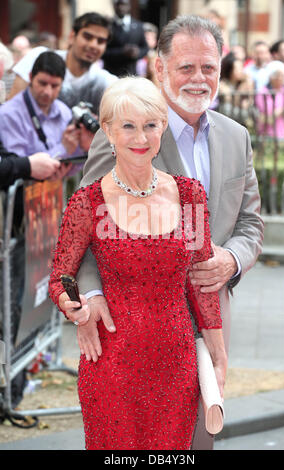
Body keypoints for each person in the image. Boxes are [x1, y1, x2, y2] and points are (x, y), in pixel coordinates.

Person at [65, 15, 264, 450]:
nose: (198, 79)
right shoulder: (124, 131)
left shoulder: (236, 137)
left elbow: (251, 223)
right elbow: (82, 231)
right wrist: (90, 299)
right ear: (160, 68)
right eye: (186, 67)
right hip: (129, 327)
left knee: (198, 437)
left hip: (211, 312)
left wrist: (231, 259)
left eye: (208, 67)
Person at [49, 76, 227, 450]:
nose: (140, 138)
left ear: (162, 126)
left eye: (150, 125)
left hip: (176, 366)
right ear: (109, 132)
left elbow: (199, 282)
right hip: (111, 365)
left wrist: (217, 351)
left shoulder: (191, 196)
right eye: (128, 126)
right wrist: (73, 306)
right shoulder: (88, 202)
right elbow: (61, 276)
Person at [7, 12, 118, 115]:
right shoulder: (39, 57)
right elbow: (12, 109)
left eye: (101, 41)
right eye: (87, 37)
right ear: (72, 36)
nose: (93, 45)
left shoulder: (105, 82)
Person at [0, 51, 81, 177]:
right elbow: (20, 168)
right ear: (30, 77)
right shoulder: (9, 114)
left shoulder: (64, 111)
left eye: (54, 86)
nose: (47, 92)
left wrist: (85, 146)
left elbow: (73, 167)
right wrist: (63, 149)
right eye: (42, 83)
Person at [102, 0, 149, 76]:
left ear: (129, 6)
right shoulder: (108, 25)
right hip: (111, 73)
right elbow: (103, 51)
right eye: (118, 5)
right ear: (114, 6)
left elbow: (145, 48)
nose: (121, 8)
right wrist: (122, 52)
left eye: (124, 4)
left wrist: (137, 52)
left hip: (131, 73)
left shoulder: (138, 25)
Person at [255, 60, 284, 140]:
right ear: (270, 76)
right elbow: (268, 119)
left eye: (282, 75)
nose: (280, 78)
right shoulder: (263, 92)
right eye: (277, 76)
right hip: (268, 135)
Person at [218, 51, 254, 123]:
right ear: (230, 70)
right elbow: (230, 101)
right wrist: (241, 90)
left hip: (242, 120)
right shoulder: (223, 84)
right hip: (227, 120)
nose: (241, 71)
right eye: (237, 69)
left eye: (241, 68)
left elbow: (251, 101)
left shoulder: (245, 82)